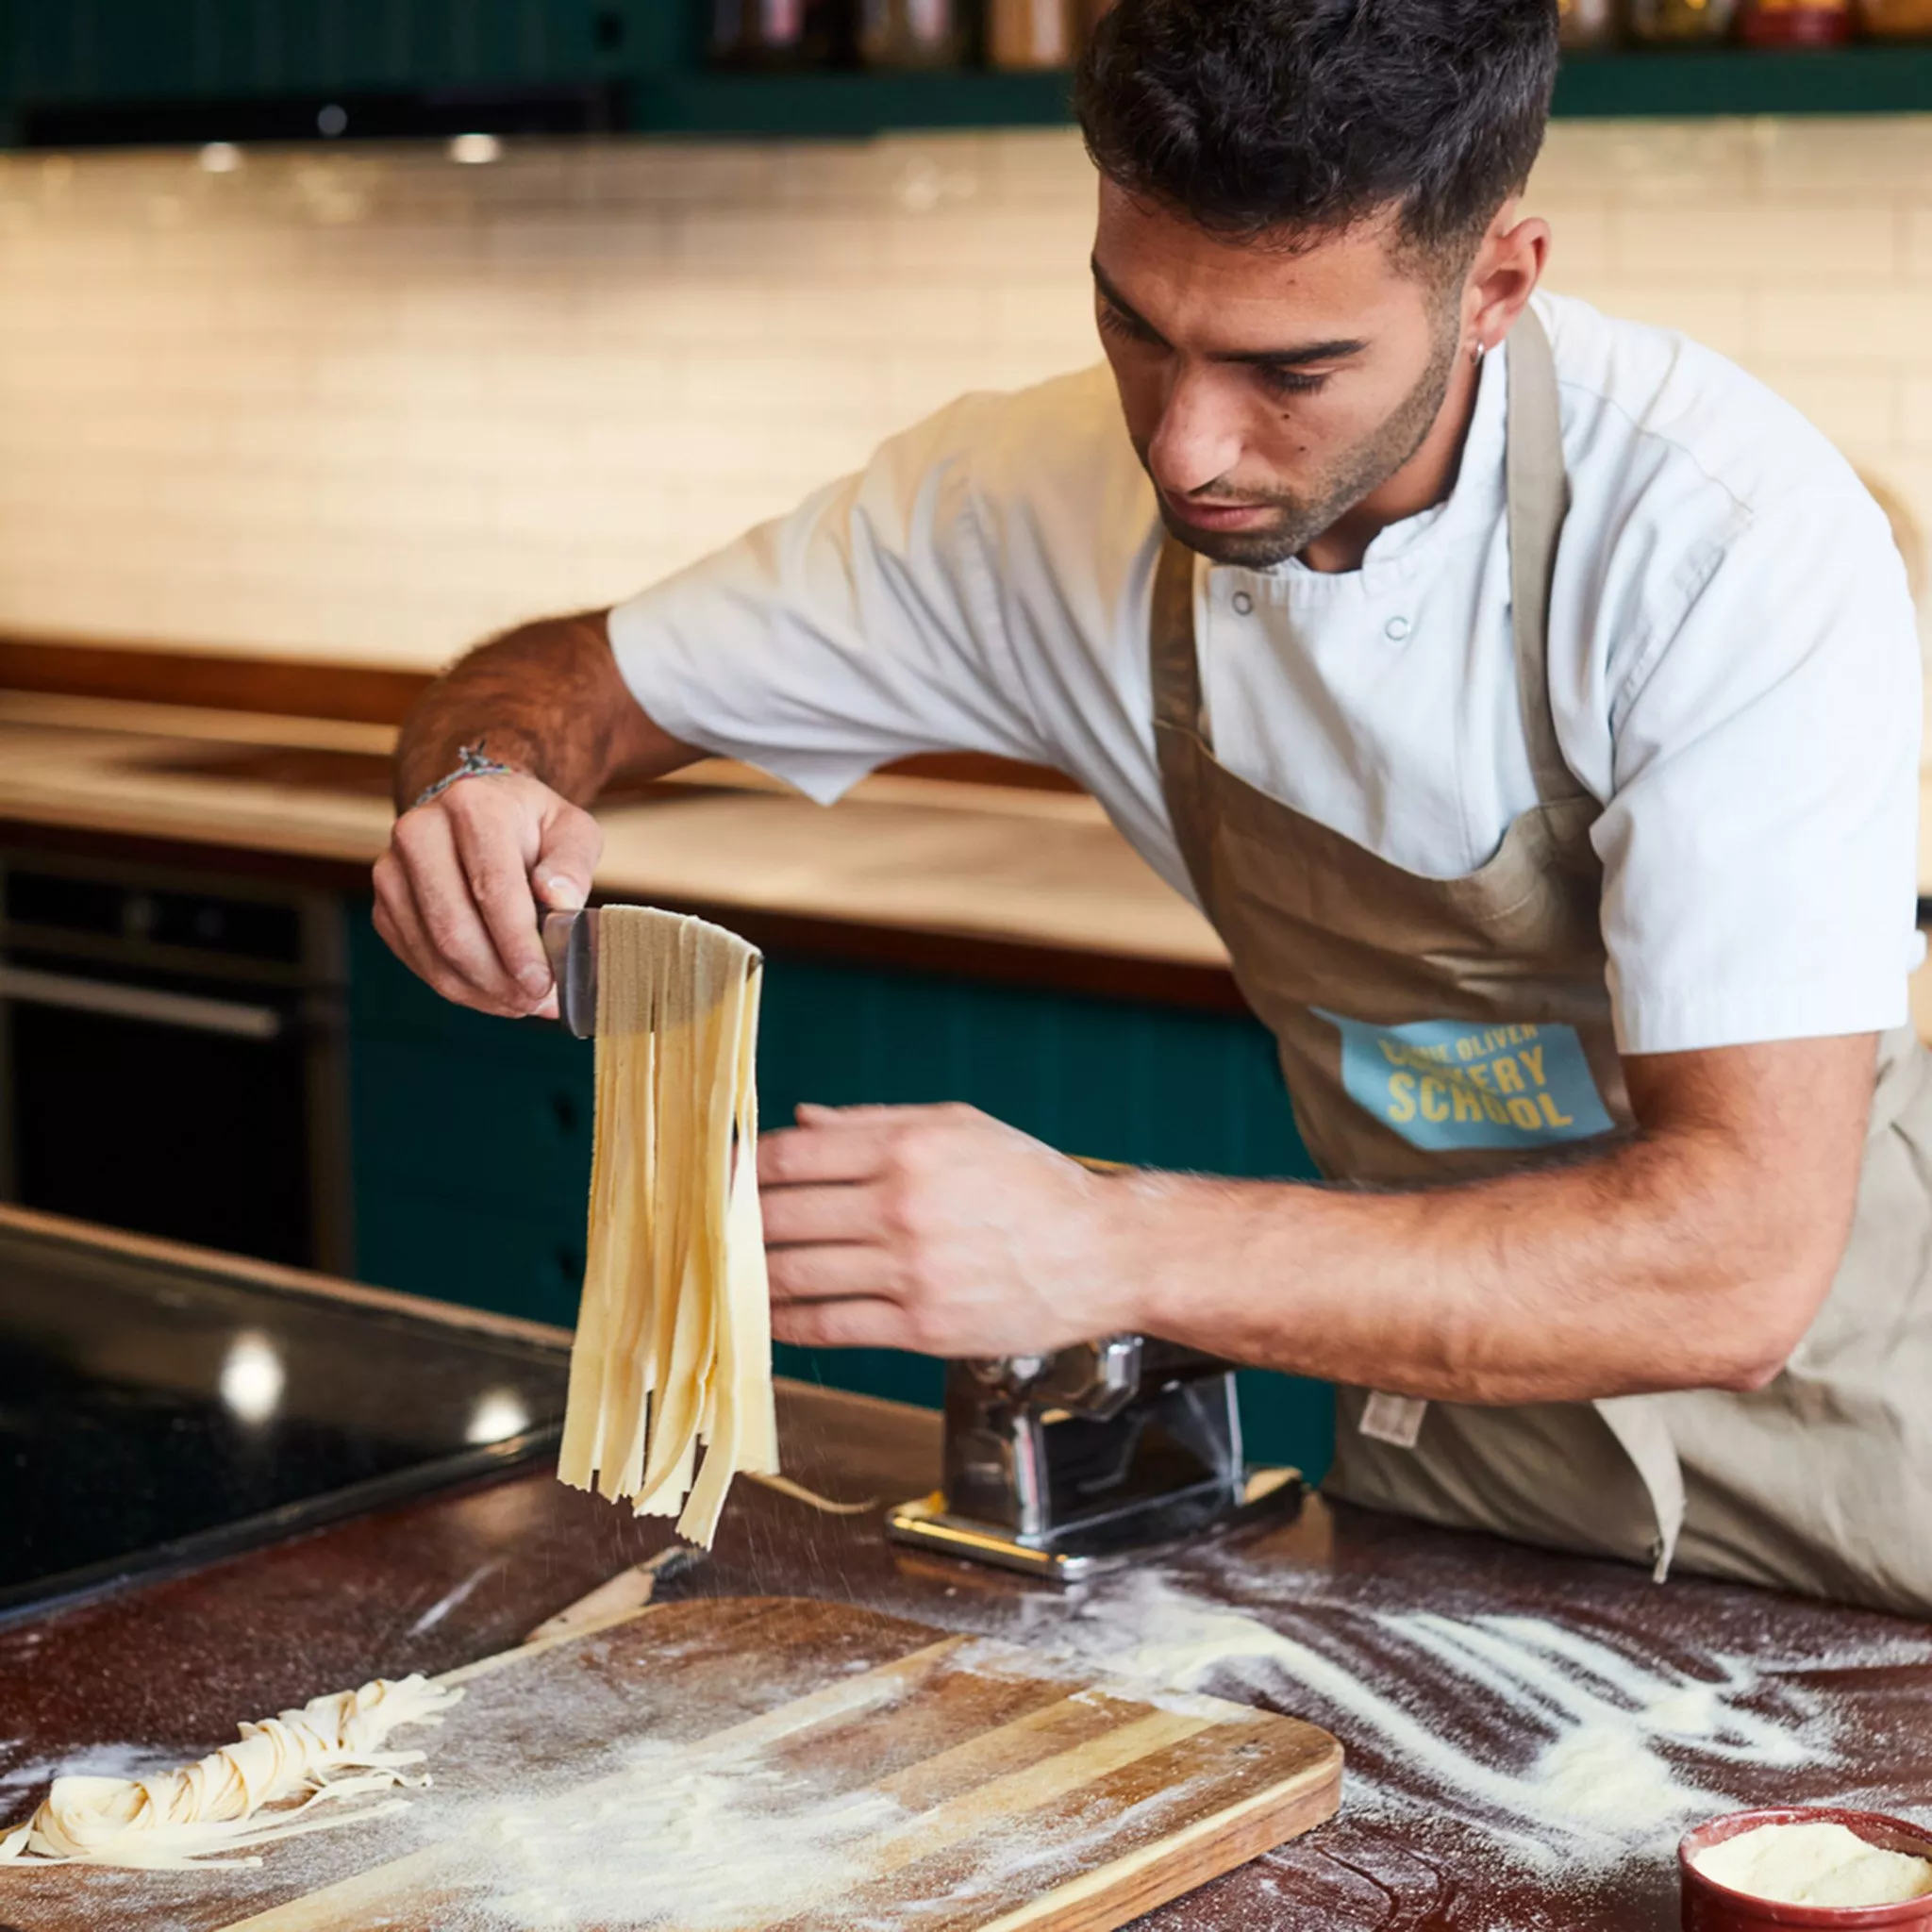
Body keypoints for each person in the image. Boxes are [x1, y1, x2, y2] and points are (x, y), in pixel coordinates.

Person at [376, 0, 1932, 1615]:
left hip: (1854, 1456)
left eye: (1290, 369)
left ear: (1498, 284)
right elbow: (574, 678)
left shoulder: (1730, 541)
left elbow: (1738, 1259)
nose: (1186, 446)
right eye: (1137, 328)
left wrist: (1103, 1245)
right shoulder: (1017, 506)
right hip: (1459, 1457)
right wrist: (483, 788)